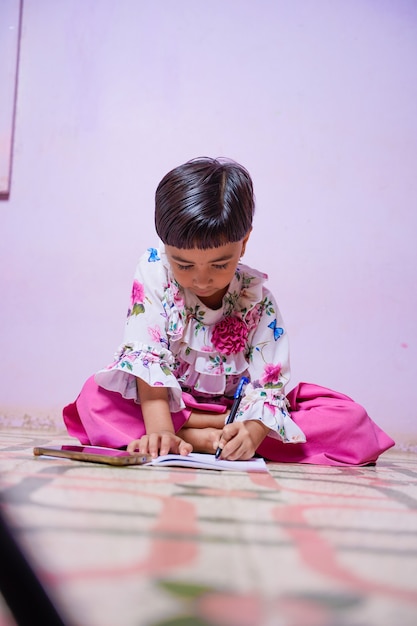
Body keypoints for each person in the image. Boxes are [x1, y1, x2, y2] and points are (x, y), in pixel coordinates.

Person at [63, 157, 395, 465]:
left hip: (238, 409)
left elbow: (268, 385)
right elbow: (144, 357)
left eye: (220, 264)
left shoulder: (257, 300)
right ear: (165, 246)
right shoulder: (153, 272)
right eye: (184, 263)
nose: (201, 278)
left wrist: (253, 430)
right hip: (164, 402)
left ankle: (206, 437)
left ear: (244, 242)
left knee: (349, 419)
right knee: (94, 399)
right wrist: (161, 430)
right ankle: (192, 436)